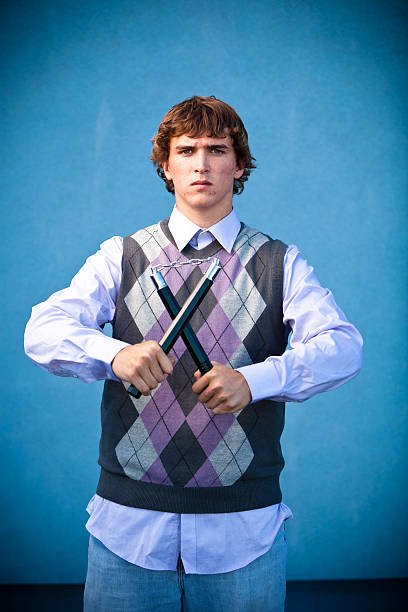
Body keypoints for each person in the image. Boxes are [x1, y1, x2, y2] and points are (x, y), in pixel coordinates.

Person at [24, 95, 363, 612]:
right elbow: (42, 330)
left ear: (239, 164)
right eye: (186, 150)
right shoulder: (122, 255)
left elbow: (342, 348)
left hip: (244, 532)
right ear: (166, 164)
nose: (201, 164)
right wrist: (113, 354)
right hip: (126, 530)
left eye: (217, 149)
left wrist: (256, 380)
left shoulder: (280, 262)